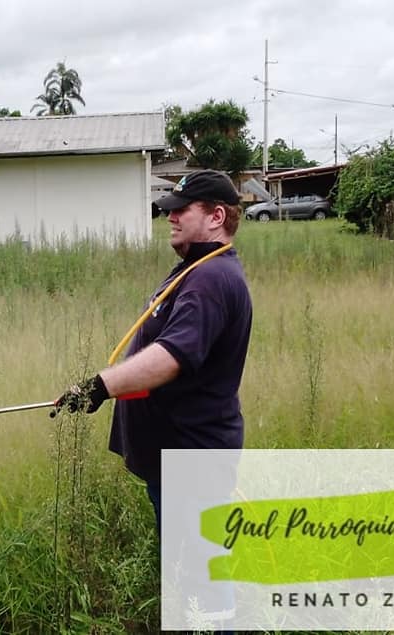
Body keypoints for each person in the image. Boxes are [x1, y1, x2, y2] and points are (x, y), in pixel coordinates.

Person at [53, 169, 252, 629]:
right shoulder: (196, 270)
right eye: (169, 210)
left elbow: (171, 357)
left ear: (216, 216)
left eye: (182, 210)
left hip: (192, 459)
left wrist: (100, 386)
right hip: (176, 458)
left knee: (203, 578)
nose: (170, 217)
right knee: (189, 569)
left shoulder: (211, 279)